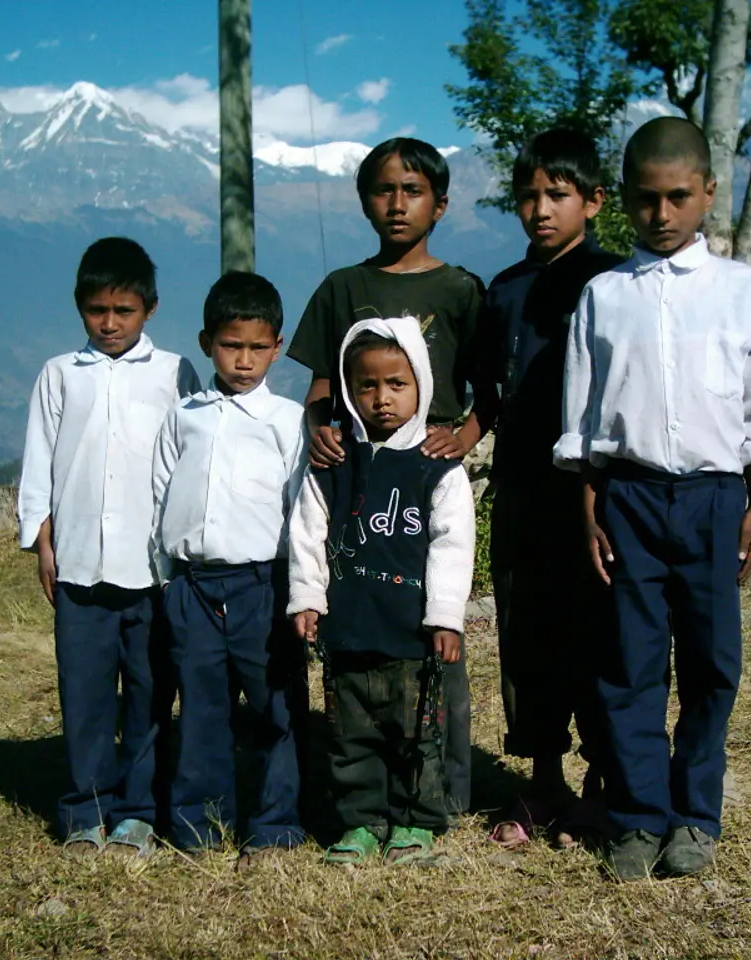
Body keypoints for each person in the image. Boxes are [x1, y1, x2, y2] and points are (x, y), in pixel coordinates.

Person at [554, 117, 751, 881]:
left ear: (709, 193)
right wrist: (590, 504)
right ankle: (637, 817)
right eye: (647, 199)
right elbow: (583, 412)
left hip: (715, 497)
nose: (662, 214)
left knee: (711, 663)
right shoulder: (604, 296)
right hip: (627, 496)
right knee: (630, 663)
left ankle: (695, 815)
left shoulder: (739, 290)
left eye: (679, 197)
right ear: (624, 197)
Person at [286, 137, 482, 814]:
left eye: (413, 191)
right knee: (365, 641)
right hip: (361, 469)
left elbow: (487, 388)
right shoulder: (343, 288)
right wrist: (319, 428)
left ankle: (441, 798)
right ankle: (363, 797)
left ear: (439, 205)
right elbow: (321, 384)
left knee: (434, 647)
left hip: (429, 472)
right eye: (384, 190)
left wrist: (461, 439)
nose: (398, 204)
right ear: (364, 201)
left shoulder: (460, 289)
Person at [18, 236, 200, 858]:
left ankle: (139, 812)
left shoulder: (174, 372)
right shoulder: (59, 374)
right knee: (85, 692)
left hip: (150, 568)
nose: (110, 323)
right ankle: (84, 810)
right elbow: (39, 460)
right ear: (80, 307)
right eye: (98, 310)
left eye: (124, 311)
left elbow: (190, 459)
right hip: (79, 564)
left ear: (150, 308)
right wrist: (42, 541)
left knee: (150, 692)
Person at [473, 129, 622, 848]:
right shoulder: (504, 289)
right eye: (528, 196)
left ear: (593, 201)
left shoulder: (615, 283)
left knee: (599, 632)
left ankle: (601, 783)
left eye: (557, 195)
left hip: (599, 494)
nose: (540, 209)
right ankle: (542, 779)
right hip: (523, 490)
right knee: (527, 635)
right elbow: (485, 392)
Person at [286, 317, 475, 865]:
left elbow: (452, 544)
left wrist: (446, 617)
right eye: (366, 385)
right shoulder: (332, 461)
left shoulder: (437, 466)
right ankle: (361, 822)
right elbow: (307, 532)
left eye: (397, 383)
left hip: (412, 634)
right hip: (348, 631)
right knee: (351, 735)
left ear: (421, 385)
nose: (382, 398)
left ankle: (415, 822)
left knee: (417, 733)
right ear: (348, 390)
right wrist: (307, 598)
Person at [151, 271, 307, 865]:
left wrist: (299, 590)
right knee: (201, 711)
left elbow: (302, 510)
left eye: (257, 347)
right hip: (192, 586)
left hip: (262, 587)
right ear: (205, 342)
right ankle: (200, 827)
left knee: (275, 709)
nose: (244, 360)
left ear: (277, 346)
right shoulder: (183, 416)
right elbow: (160, 494)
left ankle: (274, 828)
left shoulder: (287, 421)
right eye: (230, 345)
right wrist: (167, 581)